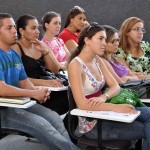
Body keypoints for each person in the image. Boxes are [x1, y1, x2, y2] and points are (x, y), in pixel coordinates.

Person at [0, 13, 79, 150]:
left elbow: (24, 81)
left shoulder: (12, 54)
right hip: (4, 110)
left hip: (21, 104)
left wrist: (38, 91)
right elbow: (2, 89)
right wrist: (34, 93)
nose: (14, 30)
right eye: (8, 28)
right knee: (44, 127)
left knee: (54, 119)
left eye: (14, 26)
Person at [68, 22, 150, 150]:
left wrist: (104, 97)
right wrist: (115, 108)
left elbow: (116, 86)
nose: (105, 43)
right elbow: (82, 104)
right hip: (93, 124)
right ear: (87, 40)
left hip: (106, 112)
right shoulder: (75, 65)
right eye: (100, 39)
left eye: (105, 39)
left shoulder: (98, 60)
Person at [12, 14, 69, 115]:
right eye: (33, 28)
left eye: (38, 28)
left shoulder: (40, 45)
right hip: (32, 92)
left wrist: (46, 52)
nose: (38, 32)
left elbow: (55, 70)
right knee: (67, 99)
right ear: (21, 31)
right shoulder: (16, 48)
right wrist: (46, 83)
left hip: (49, 87)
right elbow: (18, 79)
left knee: (71, 96)